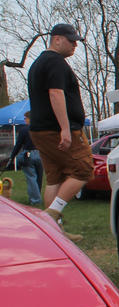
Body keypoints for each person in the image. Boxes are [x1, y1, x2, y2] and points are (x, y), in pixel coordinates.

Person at [27, 23, 92, 241]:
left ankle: (54, 233)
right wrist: (65, 128)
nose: (75, 45)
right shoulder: (55, 62)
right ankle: (50, 215)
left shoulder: (37, 64)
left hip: (39, 130)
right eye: (71, 40)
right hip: (58, 130)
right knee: (84, 169)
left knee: (54, 178)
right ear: (56, 39)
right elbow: (56, 93)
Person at [4, 112, 44, 206]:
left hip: (28, 154)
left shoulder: (24, 130)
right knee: (39, 177)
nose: (24, 120)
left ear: (29, 119)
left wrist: (12, 157)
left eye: (25, 118)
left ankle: (35, 200)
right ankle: (37, 196)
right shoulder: (41, 129)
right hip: (40, 154)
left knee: (31, 178)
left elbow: (18, 145)